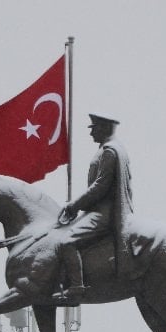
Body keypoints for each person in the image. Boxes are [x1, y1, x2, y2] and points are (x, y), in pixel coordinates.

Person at [54, 114, 134, 301]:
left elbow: (100, 187)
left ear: (104, 128)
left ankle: (76, 287)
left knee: (66, 241)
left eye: (94, 128)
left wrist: (74, 205)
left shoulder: (109, 151)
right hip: (100, 209)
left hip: (104, 213)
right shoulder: (111, 148)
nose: (91, 133)